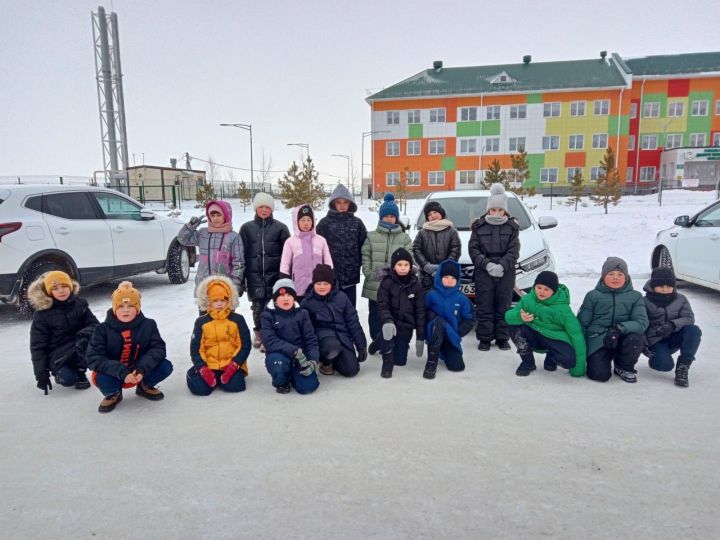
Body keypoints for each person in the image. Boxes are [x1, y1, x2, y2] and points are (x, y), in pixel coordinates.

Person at [86, 281, 174, 413]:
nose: (125, 310)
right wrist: (120, 371)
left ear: (138, 308)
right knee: (102, 377)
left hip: (138, 370)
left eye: (131, 306)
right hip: (114, 372)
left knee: (165, 366)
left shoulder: (149, 325)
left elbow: (158, 348)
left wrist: (142, 369)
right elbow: (93, 358)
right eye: (121, 306)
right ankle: (114, 393)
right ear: (115, 308)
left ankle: (144, 386)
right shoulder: (102, 329)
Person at [578, 257, 649, 383]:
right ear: (603, 276)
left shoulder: (635, 297)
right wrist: (579, 349)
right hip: (599, 339)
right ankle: (602, 359)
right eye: (611, 274)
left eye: (620, 274)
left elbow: (641, 322)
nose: (615, 277)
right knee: (599, 375)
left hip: (624, 337)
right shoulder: (592, 296)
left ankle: (623, 366)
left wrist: (619, 329)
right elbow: (583, 323)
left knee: (635, 338)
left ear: (626, 277)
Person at [505, 271, 587, 377]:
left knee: (569, 361)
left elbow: (576, 335)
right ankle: (528, 363)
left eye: (546, 289)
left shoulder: (563, 309)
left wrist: (578, 371)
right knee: (515, 327)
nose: (541, 292)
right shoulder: (527, 300)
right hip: (534, 334)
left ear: (553, 291)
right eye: (539, 287)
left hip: (554, 338)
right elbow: (508, 316)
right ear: (534, 287)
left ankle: (551, 358)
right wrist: (519, 317)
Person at [28, 270, 99, 394]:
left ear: (71, 287)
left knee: (93, 340)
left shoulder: (80, 304)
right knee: (68, 379)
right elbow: (38, 346)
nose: (61, 290)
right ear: (49, 291)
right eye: (55, 288)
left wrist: (84, 334)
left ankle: (81, 370)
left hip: (78, 345)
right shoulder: (42, 314)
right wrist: (41, 375)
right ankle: (65, 371)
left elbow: (95, 325)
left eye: (64, 286)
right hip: (58, 354)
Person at [468, 183, 520, 351]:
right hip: (484, 272)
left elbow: (514, 250)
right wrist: (487, 264)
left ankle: (502, 338)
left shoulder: (512, 227)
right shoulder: (478, 226)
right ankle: (484, 338)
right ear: (488, 209)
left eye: (500, 210)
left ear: (505, 210)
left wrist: (503, 266)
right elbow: (473, 249)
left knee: (503, 305)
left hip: (506, 272)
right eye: (493, 210)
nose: (496, 213)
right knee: (484, 305)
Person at [362, 193, 412, 352]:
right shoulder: (371, 236)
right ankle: (377, 339)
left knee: (393, 313)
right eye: (386, 216)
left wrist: (398, 275)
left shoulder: (404, 238)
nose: (389, 219)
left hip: (395, 285)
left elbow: (410, 258)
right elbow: (366, 256)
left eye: (392, 216)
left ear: (396, 218)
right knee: (375, 314)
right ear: (381, 217)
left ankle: (391, 339)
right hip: (375, 284)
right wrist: (370, 273)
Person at [240, 192, 291, 352]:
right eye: (260, 207)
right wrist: (242, 279)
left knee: (275, 306)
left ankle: (273, 335)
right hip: (254, 276)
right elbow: (241, 255)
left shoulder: (280, 228)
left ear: (271, 209)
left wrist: (286, 277)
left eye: (267, 207)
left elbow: (287, 254)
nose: (263, 210)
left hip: (275, 276)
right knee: (258, 307)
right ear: (256, 208)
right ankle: (260, 333)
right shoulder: (246, 228)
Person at [186, 276, 251, 395]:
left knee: (236, 386)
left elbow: (245, 345)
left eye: (223, 300)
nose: (219, 303)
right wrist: (202, 368)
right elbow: (196, 349)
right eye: (215, 300)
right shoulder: (201, 322)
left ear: (229, 300)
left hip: (231, 364)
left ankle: (224, 378)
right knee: (200, 389)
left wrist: (234, 364)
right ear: (208, 301)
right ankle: (196, 374)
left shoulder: (238, 320)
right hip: (209, 364)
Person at [301, 264, 367, 377]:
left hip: (342, 337)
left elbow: (353, 322)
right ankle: (325, 363)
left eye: (326, 283)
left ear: (331, 284)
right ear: (313, 284)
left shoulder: (341, 297)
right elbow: (305, 331)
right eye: (318, 283)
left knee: (351, 370)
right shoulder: (307, 302)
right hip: (323, 340)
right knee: (332, 346)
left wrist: (361, 346)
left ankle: (335, 359)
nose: (322, 287)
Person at [642, 267, 702, 387]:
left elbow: (688, 318)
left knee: (693, 330)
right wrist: (645, 345)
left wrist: (672, 325)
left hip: (674, 336)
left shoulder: (681, 299)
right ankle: (656, 357)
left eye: (668, 286)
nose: (665, 289)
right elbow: (641, 323)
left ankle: (683, 367)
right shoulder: (644, 301)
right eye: (661, 286)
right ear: (653, 285)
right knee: (664, 366)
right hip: (655, 340)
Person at [260, 279, 320, 394]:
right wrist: (294, 351)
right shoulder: (267, 316)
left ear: (294, 298)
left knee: (308, 387)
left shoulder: (303, 313)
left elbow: (311, 339)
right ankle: (282, 381)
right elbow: (270, 341)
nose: (286, 298)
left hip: (302, 357)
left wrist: (313, 360)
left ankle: (295, 375)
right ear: (275, 299)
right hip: (280, 354)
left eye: (289, 295)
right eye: (282, 296)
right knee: (278, 364)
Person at [177, 199, 244, 295]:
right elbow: (182, 239)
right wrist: (190, 227)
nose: (215, 218)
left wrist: (235, 285)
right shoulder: (202, 233)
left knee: (222, 310)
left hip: (224, 288)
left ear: (226, 215)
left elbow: (238, 264)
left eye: (219, 215)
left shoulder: (233, 236)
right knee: (204, 310)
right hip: (203, 287)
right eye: (212, 215)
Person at [376, 248, 426, 378]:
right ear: (393, 266)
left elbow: (420, 312)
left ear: (410, 266)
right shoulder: (386, 282)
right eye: (399, 265)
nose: (403, 268)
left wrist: (420, 337)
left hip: (405, 326)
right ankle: (386, 363)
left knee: (400, 361)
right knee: (388, 337)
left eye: (406, 265)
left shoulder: (416, 285)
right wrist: (387, 320)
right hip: (390, 322)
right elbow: (382, 305)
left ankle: (378, 341)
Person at [316, 184, 367, 306]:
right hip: (330, 277)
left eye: (345, 202)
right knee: (332, 311)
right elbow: (318, 248)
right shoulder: (324, 224)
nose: (342, 205)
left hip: (350, 276)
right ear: (333, 203)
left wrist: (356, 263)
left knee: (349, 309)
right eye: (339, 202)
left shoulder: (357, 223)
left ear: (350, 203)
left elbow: (364, 247)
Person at [422, 259, 475, 379]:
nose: (449, 280)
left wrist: (457, 332)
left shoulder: (462, 298)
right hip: (433, 331)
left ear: (457, 280)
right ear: (439, 277)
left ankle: (444, 350)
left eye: (453, 278)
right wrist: (431, 318)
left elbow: (470, 318)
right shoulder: (431, 295)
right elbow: (422, 312)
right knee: (439, 322)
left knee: (457, 367)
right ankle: (431, 362)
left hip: (451, 336)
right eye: (446, 277)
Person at [279, 204, 333, 301]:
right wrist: (285, 281)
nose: (306, 223)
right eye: (302, 220)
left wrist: (330, 277)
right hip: (298, 288)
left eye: (309, 220)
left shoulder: (321, 240)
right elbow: (285, 264)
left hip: (318, 287)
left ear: (313, 222)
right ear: (296, 222)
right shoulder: (290, 242)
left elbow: (328, 262)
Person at [412, 201, 461, 290]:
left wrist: (444, 267)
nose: (433, 216)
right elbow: (416, 249)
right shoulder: (422, 232)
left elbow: (455, 250)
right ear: (427, 218)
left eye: (435, 212)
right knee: (427, 300)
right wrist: (425, 265)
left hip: (446, 275)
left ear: (441, 213)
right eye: (430, 214)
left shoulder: (452, 232)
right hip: (426, 276)